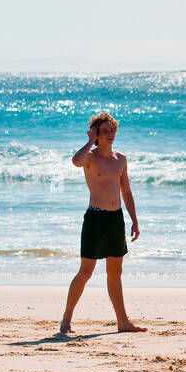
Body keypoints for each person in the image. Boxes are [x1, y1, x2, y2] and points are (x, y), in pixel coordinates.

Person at [59, 112, 144, 335]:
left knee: (115, 272)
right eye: (104, 131)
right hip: (95, 218)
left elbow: (126, 190)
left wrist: (134, 220)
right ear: (96, 134)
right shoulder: (90, 157)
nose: (110, 134)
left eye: (112, 130)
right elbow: (75, 161)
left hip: (116, 219)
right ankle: (66, 319)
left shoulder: (121, 159)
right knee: (86, 271)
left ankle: (123, 322)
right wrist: (89, 141)